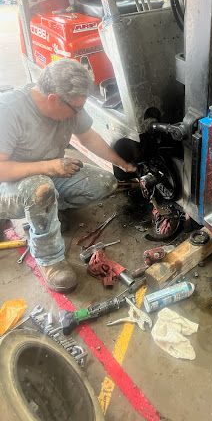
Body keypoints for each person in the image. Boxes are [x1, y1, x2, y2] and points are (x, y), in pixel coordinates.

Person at [0, 59, 136, 293]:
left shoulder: (69, 105)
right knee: (40, 188)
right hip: (10, 187)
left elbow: (88, 137)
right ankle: (49, 260)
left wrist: (122, 164)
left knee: (104, 183)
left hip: (49, 172)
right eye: (77, 108)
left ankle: (48, 210)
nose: (79, 112)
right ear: (53, 99)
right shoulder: (9, 110)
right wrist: (49, 167)